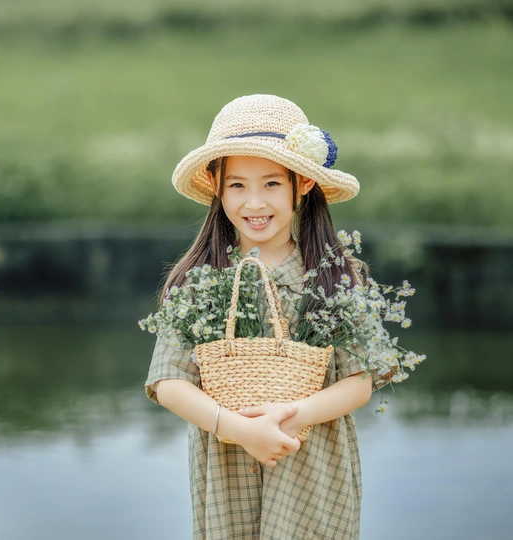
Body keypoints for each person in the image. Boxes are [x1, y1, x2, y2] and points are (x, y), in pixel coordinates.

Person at [144, 94, 394, 540]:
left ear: (301, 184)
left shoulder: (335, 275)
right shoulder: (199, 280)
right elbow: (168, 382)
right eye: (237, 185)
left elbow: (361, 379)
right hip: (226, 467)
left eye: (271, 184)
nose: (254, 203)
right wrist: (240, 429)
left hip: (312, 466)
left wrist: (293, 416)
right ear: (217, 188)